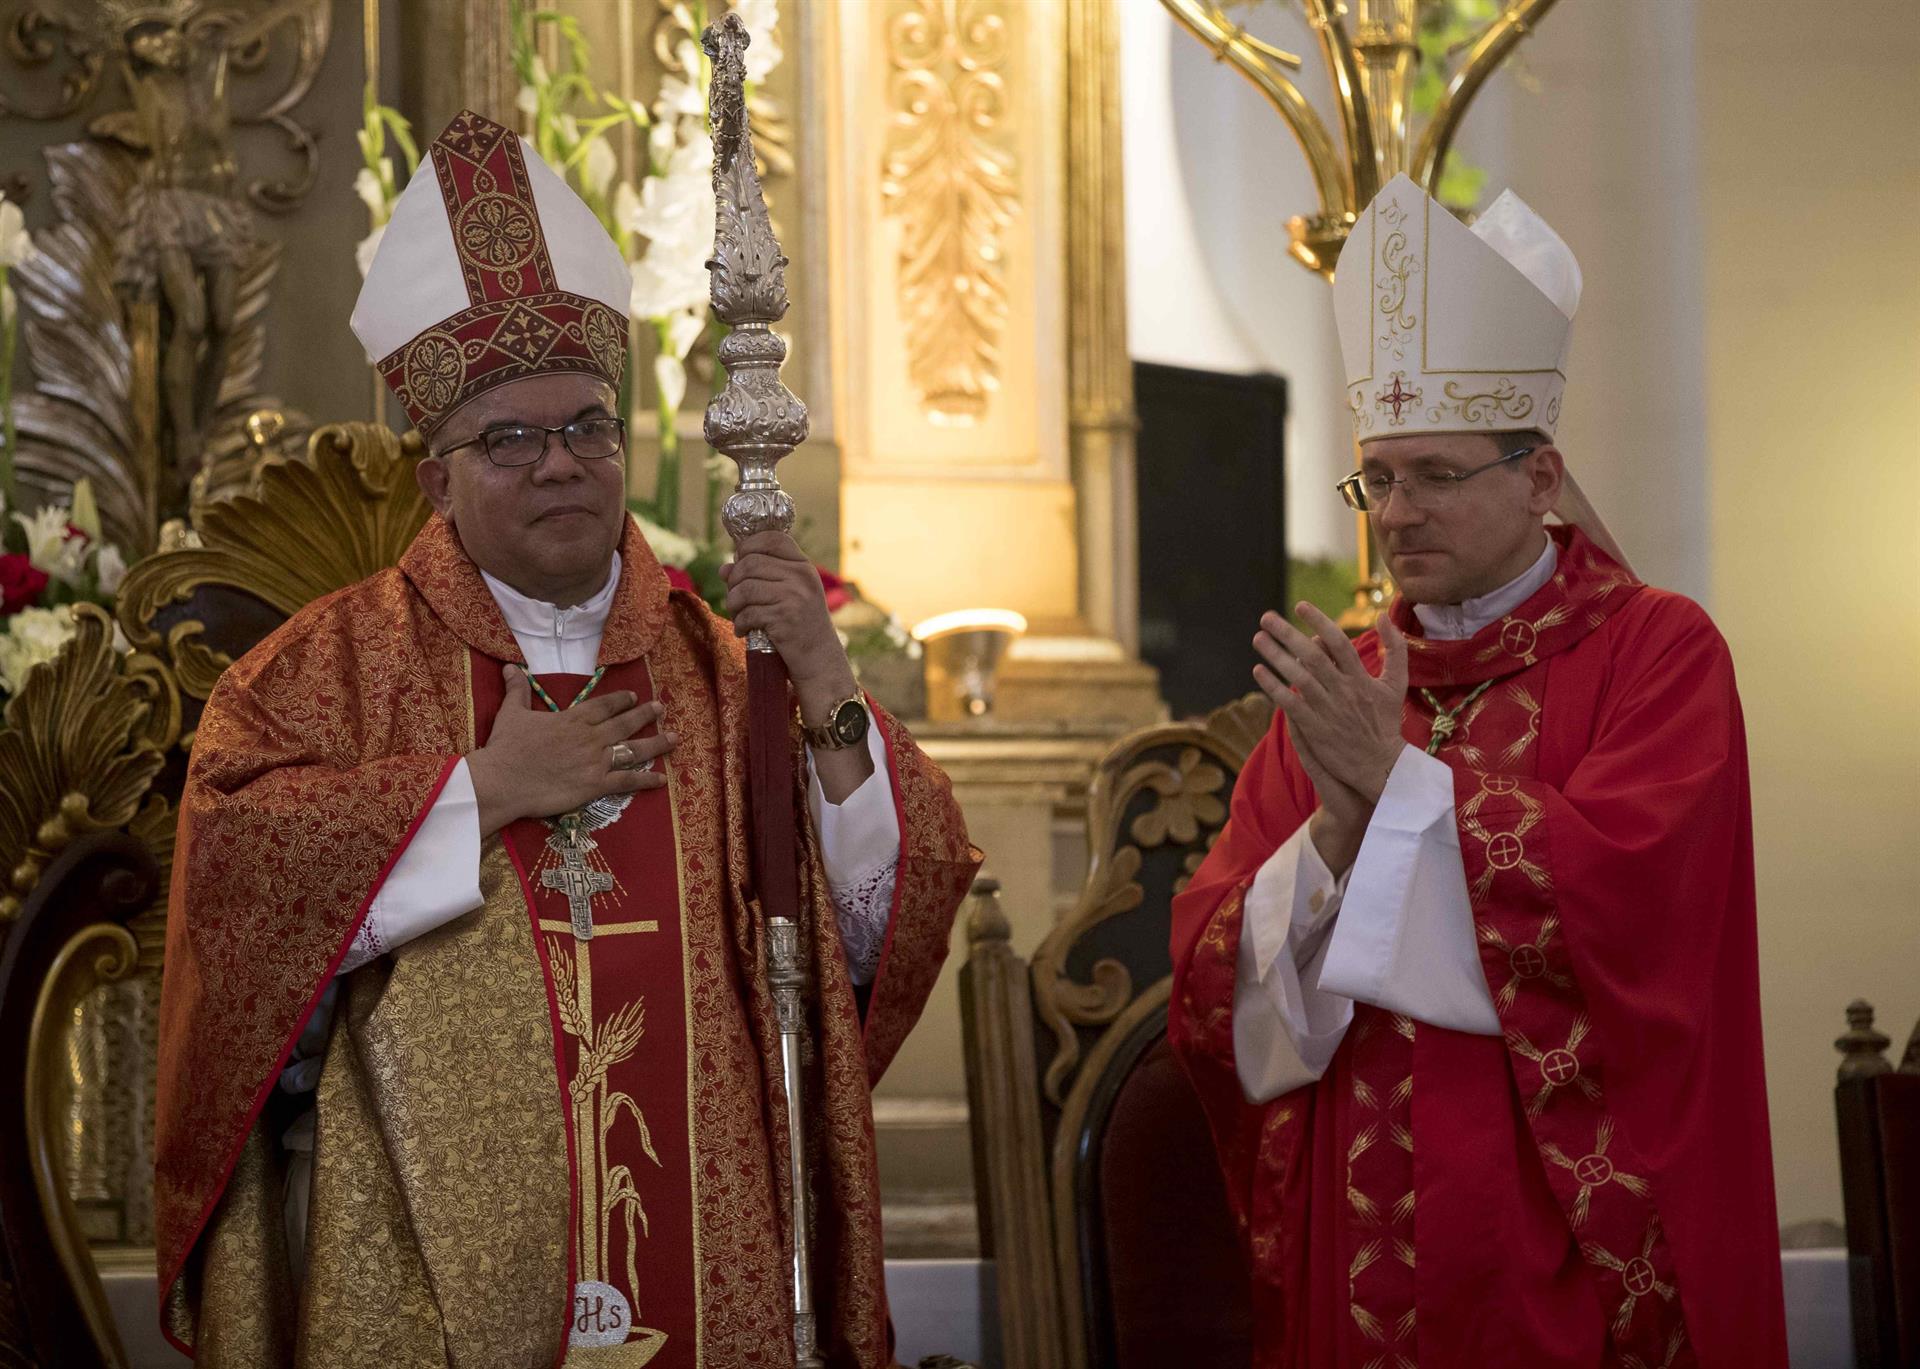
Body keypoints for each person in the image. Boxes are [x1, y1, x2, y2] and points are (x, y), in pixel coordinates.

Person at [154, 109, 980, 1367]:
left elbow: (879, 924)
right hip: (427, 1262)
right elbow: (234, 883)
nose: (562, 465)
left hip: (709, 1252)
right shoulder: (324, 672)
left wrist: (824, 677)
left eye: (588, 425)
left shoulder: (721, 669)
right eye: (512, 438)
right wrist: (476, 790)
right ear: (434, 478)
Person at [1169, 174, 1787, 1367]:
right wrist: (1336, 842)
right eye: (1379, 477)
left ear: (1541, 479)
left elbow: (1635, 914)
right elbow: (1213, 973)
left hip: (1554, 1253)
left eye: (1438, 475)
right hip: (1351, 1246)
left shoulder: (1658, 652)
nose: (1397, 514)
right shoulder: (1346, 685)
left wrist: (1390, 791)